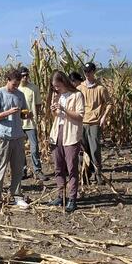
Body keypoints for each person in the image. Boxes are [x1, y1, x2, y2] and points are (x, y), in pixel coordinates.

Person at [0, 69, 30, 210]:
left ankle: (17, 196)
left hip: (18, 136)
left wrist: (26, 115)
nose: (16, 86)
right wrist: (8, 113)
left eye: (17, 84)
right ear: (8, 80)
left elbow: (22, 114)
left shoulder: (20, 95)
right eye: (14, 84)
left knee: (18, 169)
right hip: (3, 137)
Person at [47, 71, 85, 213]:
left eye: (57, 85)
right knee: (58, 166)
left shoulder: (77, 95)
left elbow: (80, 116)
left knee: (71, 168)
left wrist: (64, 109)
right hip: (57, 132)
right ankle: (60, 195)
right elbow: (57, 116)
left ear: (63, 82)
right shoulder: (57, 96)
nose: (55, 88)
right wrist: (54, 111)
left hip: (71, 134)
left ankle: (72, 198)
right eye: (54, 86)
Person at [77, 62, 112, 184]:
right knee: (82, 151)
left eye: (89, 71)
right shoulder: (79, 88)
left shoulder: (100, 88)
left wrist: (103, 118)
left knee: (95, 150)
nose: (87, 74)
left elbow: (109, 103)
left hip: (94, 123)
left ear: (93, 72)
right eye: (85, 72)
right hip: (82, 122)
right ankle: (85, 175)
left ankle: (98, 174)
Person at [19, 67, 48, 181]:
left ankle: (37, 170)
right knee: (20, 149)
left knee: (34, 148)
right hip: (19, 124)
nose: (25, 77)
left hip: (31, 123)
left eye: (26, 75)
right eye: (23, 75)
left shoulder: (33, 88)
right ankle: (23, 171)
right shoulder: (16, 89)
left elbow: (38, 104)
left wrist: (37, 116)